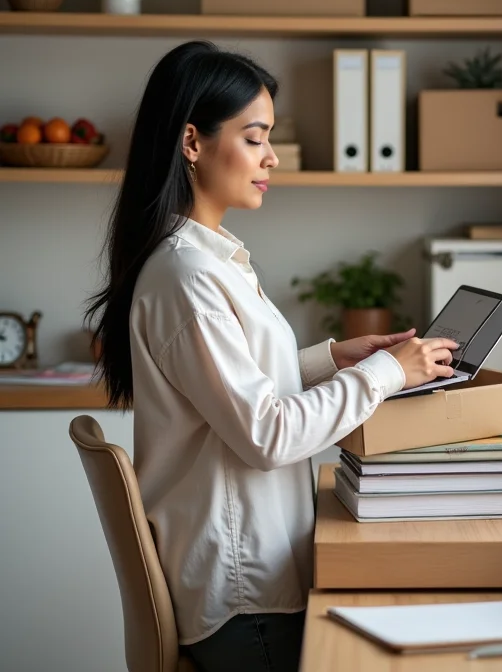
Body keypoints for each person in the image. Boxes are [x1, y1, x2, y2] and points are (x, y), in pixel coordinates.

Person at [84, 40, 458, 672]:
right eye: (255, 138)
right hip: (247, 598)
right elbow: (267, 435)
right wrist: (389, 372)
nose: (272, 157)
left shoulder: (206, 260)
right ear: (192, 142)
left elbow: (235, 391)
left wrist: (335, 358)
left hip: (252, 584)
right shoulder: (188, 278)